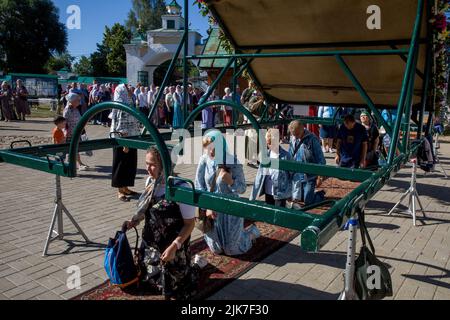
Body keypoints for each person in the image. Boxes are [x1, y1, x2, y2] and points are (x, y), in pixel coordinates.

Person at [124, 147, 204, 300]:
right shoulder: (151, 182)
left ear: (166, 165)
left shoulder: (181, 188)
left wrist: (174, 247)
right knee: (149, 281)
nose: (147, 168)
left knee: (176, 286)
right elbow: (147, 207)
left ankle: (195, 265)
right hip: (150, 245)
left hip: (171, 247)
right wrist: (134, 221)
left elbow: (189, 224)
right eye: (146, 163)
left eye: (152, 164)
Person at [195, 130, 260, 256]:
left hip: (231, 210)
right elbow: (199, 186)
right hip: (212, 211)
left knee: (232, 250)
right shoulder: (204, 160)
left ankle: (251, 233)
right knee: (217, 249)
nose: (211, 152)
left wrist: (230, 181)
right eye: (208, 148)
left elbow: (242, 188)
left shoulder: (232, 161)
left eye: (214, 148)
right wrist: (207, 207)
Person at [110, 84, 141, 202]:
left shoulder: (129, 103)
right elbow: (120, 125)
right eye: (128, 88)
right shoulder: (120, 107)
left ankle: (126, 187)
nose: (131, 89)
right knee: (121, 163)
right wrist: (124, 143)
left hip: (132, 137)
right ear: (122, 91)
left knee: (130, 163)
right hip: (123, 140)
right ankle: (120, 190)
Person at [250, 129, 292, 208]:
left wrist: (292, 193)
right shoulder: (266, 155)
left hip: (281, 193)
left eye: (271, 143)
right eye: (268, 143)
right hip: (268, 190)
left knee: (278, 215)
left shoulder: (286, 156)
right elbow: (260, 175)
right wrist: (253, 196)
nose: (269, 146)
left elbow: (292, 174)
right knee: (269, 213)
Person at [289, 120, 326, 207]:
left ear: (302, 129)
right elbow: (290, 154)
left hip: (309, 176)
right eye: (293, 134)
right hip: (297, 175)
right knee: (298, 199)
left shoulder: (312, 139)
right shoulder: (293, 138)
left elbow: (321, 159)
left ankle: (320, 195)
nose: (295, 136)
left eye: (297, 134)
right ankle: (309, 193)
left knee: (307, 201)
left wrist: (320, 176)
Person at [63, 93, 89, 170]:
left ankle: (77, 163)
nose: (79, 101)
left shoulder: (75, 108)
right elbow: (65, 122)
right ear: (72, 101)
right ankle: (73, 164)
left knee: (75, 148)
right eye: (77, 100)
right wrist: (66, 132)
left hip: (77, 132)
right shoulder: (68, 110)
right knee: (72, 149)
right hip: (71, 133)